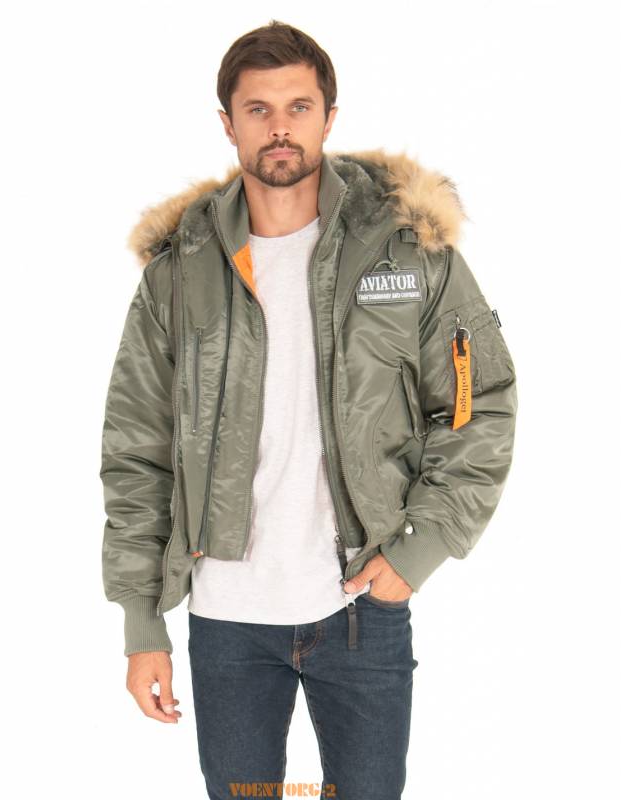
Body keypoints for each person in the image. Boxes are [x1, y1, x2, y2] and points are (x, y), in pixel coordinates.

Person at [100, 19, 518, 800]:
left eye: (298, 107)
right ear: (227, 123)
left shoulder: (408, 251)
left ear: (329, 117)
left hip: (361, 605)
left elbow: (477, 407)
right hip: (225, 616)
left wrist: (419, 552)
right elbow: (136, 451)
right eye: (257, 109)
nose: (279, 128)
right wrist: (141, 621)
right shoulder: (180, 272)